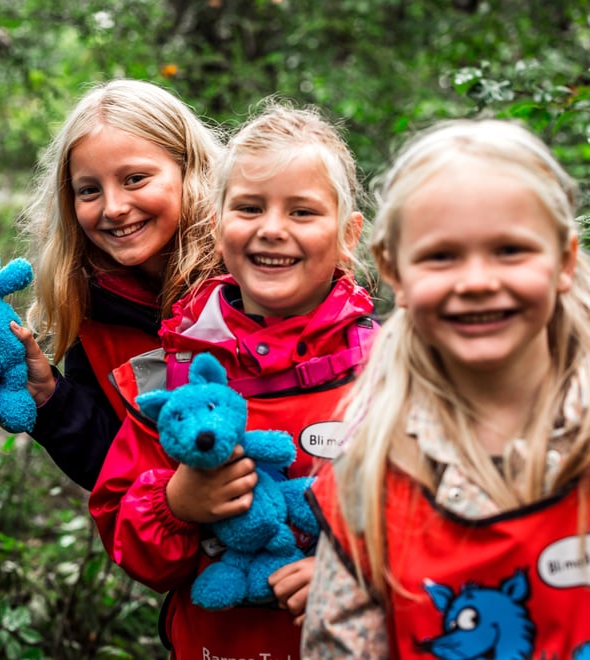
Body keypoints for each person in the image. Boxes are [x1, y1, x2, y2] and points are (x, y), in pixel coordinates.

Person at [301, 119, 590, 658]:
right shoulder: (369, 477)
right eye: (441, 256)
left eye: (510, 250)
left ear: (564, 261)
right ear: (394, 271)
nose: (477, 282)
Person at [89, 101, 378, 660]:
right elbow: (124, 536)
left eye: (302, 212)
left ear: (348, 234)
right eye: (249, 207)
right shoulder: (178, 372)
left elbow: (446, 522)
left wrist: (358, 570)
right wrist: (177, 504)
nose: (271, 229)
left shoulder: (390, 369)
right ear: (218, 227)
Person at [9, 79, 224, 490]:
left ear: (189, 169)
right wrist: (50, 396)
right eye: (89, 190)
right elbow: (112, 462)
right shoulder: (93, 305)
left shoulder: (246, 282)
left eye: (135, 179)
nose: (113, 208)